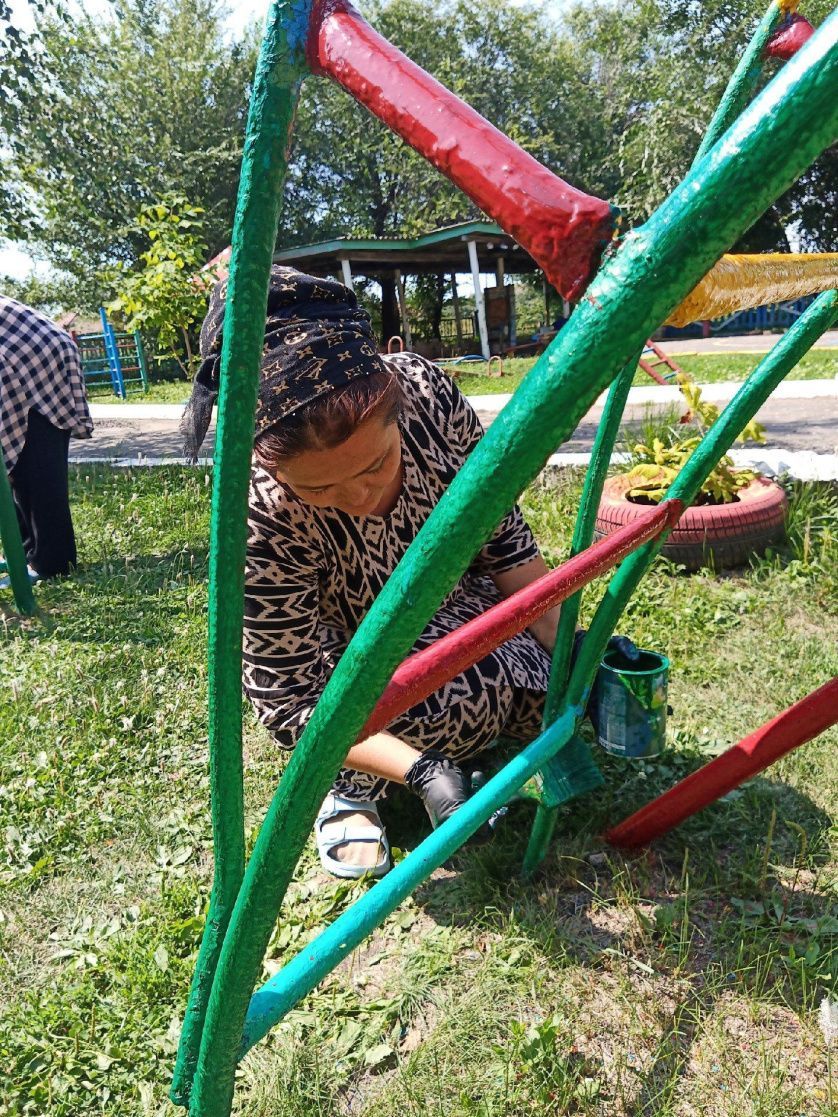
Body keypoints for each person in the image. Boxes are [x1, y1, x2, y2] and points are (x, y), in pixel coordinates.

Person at [184, 267, 630, 880]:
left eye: (375, 464)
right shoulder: (252, 518)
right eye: (318, 487)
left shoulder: (426, 394)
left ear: (398, 410)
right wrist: (420, 772)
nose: (360, 497)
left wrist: (576, 653)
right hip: (344, 656)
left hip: (449, 608)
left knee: (535, 693)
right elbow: (289, 698)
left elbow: (500, 538)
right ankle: (350, 790)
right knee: (429, 710)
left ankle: (444, 743)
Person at [0, 296, 92, 582]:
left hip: (34, 356)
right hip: (29, 353)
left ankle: (52, 563)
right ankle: (27, 553)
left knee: (37, 471)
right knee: (17, 472)